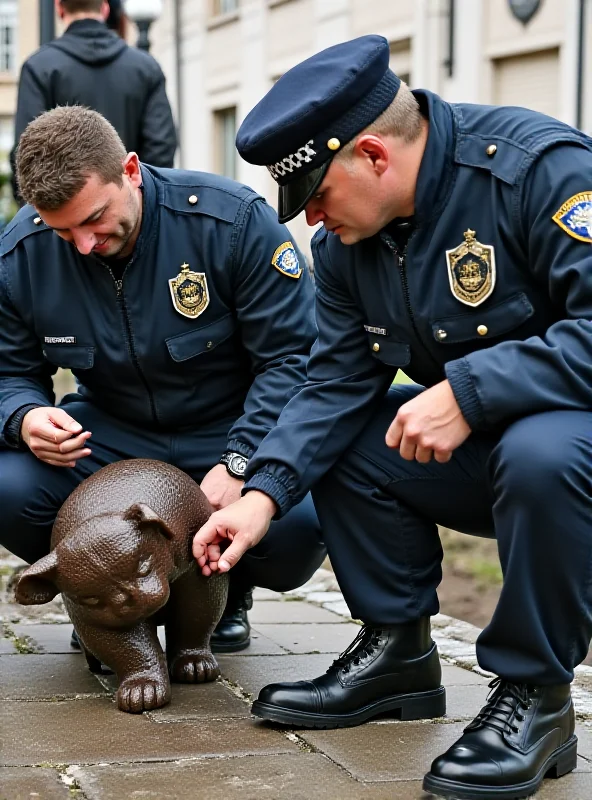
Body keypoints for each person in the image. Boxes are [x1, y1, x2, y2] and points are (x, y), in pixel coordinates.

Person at [192, 34, 592, 800]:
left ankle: (538, 699)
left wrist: (472, 389)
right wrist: (261, 495)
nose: (309, 219)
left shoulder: (539, 172)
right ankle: (397, 653)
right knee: (353, 435)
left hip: (569, 454)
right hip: (497, 456)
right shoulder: (349, 247)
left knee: (543, 449)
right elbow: (332, 384)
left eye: (316, 195)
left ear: (373, 156)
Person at [0, 106, 324, 656]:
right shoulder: (21, 254)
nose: (83, 243)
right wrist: (24, 414)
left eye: (95, 218)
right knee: (8, 490)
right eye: (63, 231)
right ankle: (99, 600)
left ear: (129, 170)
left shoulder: (231, 224)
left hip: (229, 427)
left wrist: (242, 461)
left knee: (297, 528)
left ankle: (225, 593)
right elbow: (9, 370)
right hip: (108, 435)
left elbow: (294, 358)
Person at [10, 0, 176, 202]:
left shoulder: (38, 67)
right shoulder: (146, 67)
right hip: (133, 212)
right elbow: (161, 146)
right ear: (105, 8)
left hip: (66, 217)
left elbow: (28, 153)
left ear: (59, 8)